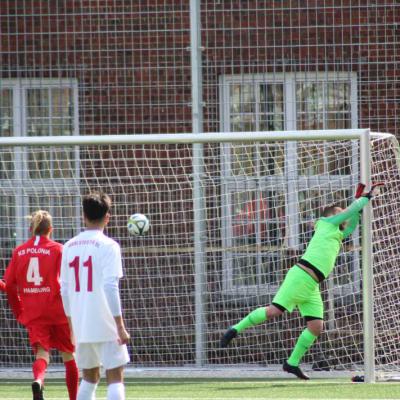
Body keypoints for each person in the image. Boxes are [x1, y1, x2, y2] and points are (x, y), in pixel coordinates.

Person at [220, 184, 382, 380]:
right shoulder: (325, 223)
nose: (343, 216)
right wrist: (364, 198)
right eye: (339, 213)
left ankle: (292, 363)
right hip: (301, 276)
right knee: (274, 311)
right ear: (331, 215)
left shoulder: (338, 234)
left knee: (316, 327)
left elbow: (353, 221)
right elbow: (349, 211)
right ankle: (235, 329)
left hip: (312, 285)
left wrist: (361, 202)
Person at [60, 192, 130, 400]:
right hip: (105, 322)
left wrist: (72, 325)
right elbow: (110, 286)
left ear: (84, 216)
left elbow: (64, 289)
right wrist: (119, 325)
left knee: (89, 378)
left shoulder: (68, 246)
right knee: (115, 376)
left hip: (81, 322)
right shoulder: (109, 246)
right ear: (108, 216)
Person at [3, 210, 79, 400]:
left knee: (42, 354)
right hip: (58, 310)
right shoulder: (59, 249)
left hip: (34, 312)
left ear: (31, 229)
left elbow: (10, 285)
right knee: (68, 355)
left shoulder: (19, 251)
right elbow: (69, 282)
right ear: (50, 230)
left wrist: (18, 309)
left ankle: (39, 380)